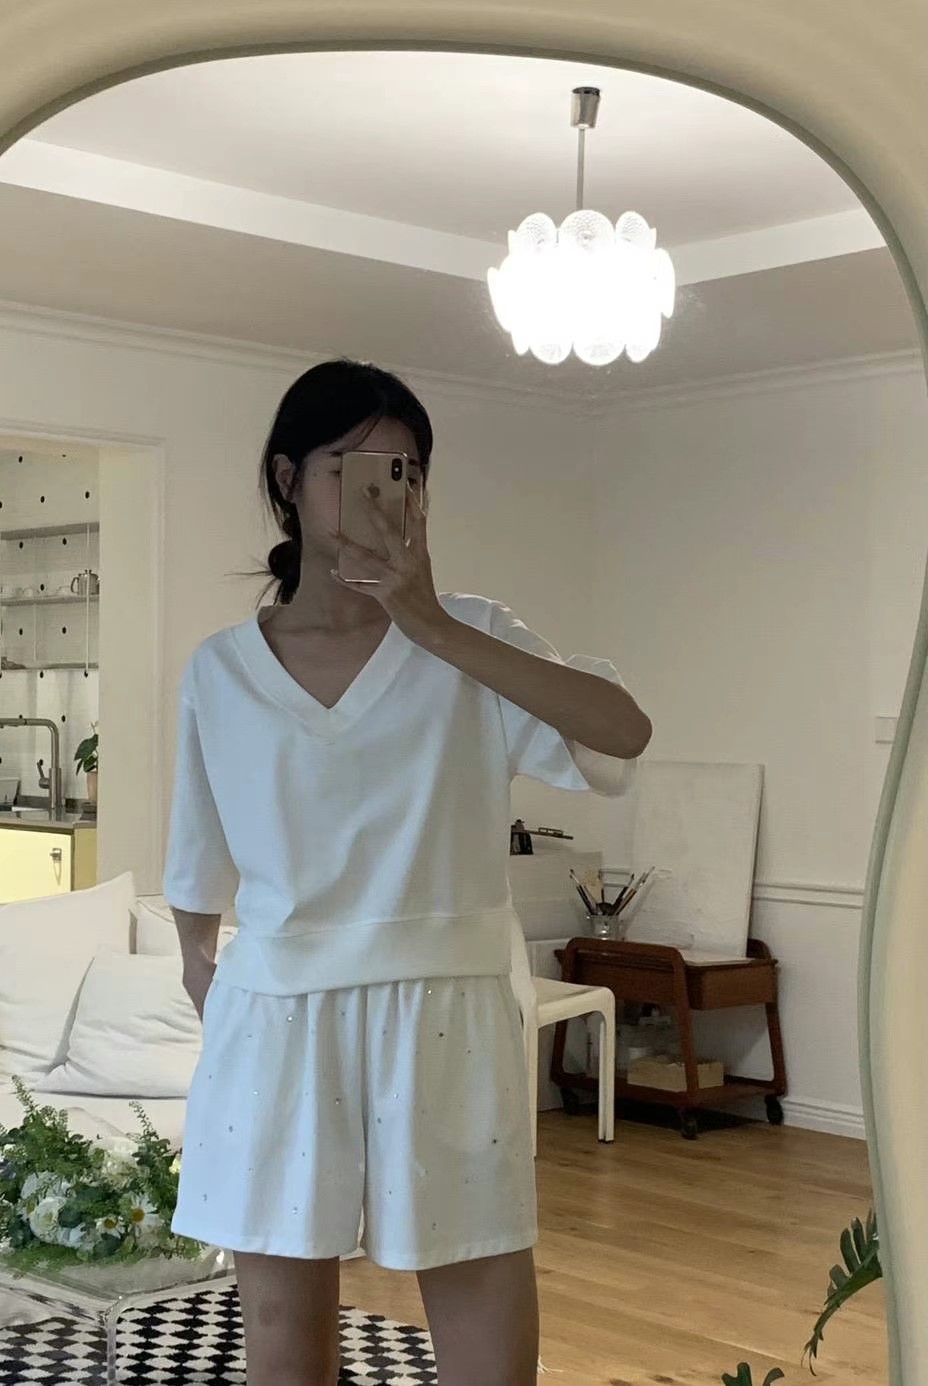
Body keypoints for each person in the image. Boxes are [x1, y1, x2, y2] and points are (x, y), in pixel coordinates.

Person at [162, 359, 652, 1386]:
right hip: (276, 1016)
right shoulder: (220, 668)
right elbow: (196, 858)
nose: (389, 494)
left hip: (448, 1009)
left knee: (484, 1335)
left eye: (408, 472)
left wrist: (431, 624)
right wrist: (205, 973)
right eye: (354, 468)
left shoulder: (473, 640)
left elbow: (622, 733)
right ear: (288, 478)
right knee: (283, 1343)